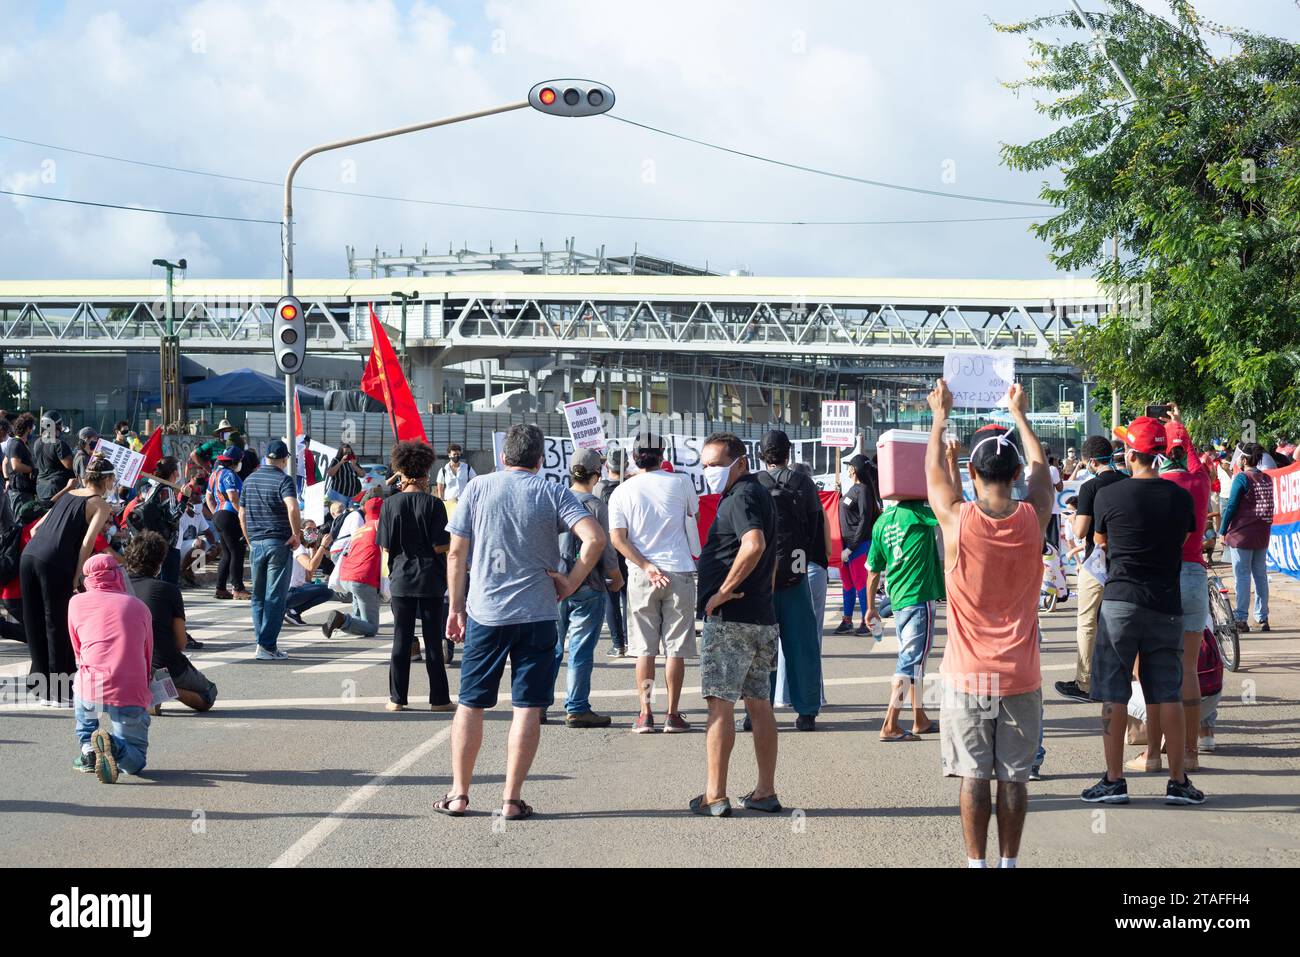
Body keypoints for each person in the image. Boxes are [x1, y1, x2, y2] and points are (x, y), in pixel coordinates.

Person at [438, 424, 603, 819]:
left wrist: (456, 607)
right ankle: (511, 799)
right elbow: (595, 538)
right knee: (527, 707)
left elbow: (456, 555)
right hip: (539, 612)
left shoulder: (477, 489)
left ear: (502, 457)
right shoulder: (552, 491)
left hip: (486, 613)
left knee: (471, 704)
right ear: (540, 459)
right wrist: (571, 580)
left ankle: (459, 794)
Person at [925, 379, 1053, 868]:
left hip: (968, 675)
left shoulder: (957, 522)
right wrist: (1020, 414)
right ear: (1015, 472)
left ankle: (976, 864)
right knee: (1015, 777)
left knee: (973, 776)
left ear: (972, 472)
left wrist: (940, 415)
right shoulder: (1033, 518)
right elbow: (1043, 472)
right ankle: (1009, 864)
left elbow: (934, 473)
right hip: (1022, 675)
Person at [1082, 416, 1204, 807]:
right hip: (1166, 604)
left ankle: (1113, 781)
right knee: (1167, 690)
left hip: (1120, 602)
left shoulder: (1108, 496)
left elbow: (1099, 539)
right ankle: (1179, 781)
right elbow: (1185, 538)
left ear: (1130, 454)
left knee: (1114, 692)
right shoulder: (1180, 497)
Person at [689, 432, 781, 817]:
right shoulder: (760, 493)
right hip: (760, 616)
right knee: (758, 704)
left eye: (715, 464)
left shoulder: (742, 495)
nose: (709, 472)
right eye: (705, 465)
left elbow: (755, 544)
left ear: (740, 462)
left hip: (732, 621)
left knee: (720, 703)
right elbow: (769, 556)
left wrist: (722, 591)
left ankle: (715, 793)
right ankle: (764, 790)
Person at [608, 432, 698, 734]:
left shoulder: (622, 490)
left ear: (634, 457)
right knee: (675, 649)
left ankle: (645, 712)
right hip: (679, 570)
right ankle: (673, 714)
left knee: (644, 649)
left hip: (641, 575)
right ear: (663, 455)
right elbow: (692, 514)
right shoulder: (682, 482)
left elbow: (617, 539)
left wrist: (646, 565)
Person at [1144, 414, 1211, 773]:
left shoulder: (1155, 487)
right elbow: (1196, 460)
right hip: (1194, 574)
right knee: (1188, 668)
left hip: (1161, 579)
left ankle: (1153, 754)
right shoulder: (1199, 481)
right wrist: (1182, 428)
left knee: (1155, 669)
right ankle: (1189, 753)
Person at [21, 455, 115, 705]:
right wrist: (78, 575)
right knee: (58, 624)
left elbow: (35, 529)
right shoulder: (99, 503)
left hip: (29, 556)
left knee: (35, 622)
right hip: (54, 561)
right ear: (107, 479)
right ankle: (61, 693)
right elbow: (87, 543)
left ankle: (40, 686)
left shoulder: (70, 494)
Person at [865, 475, 944, 742]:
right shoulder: (920, 513)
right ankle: (890, 723)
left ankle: (919, 717)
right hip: (919, 597)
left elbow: (873, 570)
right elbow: (950, 509)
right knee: (911, 662)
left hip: (898, 598)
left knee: (914, 661)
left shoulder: (882, 522)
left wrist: (870, 608)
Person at [756, 429, 824, 731]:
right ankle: (807, 711)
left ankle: (758, 711)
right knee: (803, 646)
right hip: (796, 574)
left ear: (761, 455)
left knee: (760, 649)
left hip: (762, 580)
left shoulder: (754, 484)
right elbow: (816, 525)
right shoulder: (803, 483)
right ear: (789, 454)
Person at [379, 441, 454, 712]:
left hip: (400, 578)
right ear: (424, 472)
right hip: (430, 579)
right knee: (433, 640)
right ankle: (439, 699)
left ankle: (396, 699)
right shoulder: (434, 504)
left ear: (401, 472)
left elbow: (386, 546)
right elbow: (438, 545)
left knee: (401, 639)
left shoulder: (389, 505)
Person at [69, 554, 154, 783]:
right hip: (128, 688)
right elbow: (147, 651)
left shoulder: (75, 603)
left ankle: (88, 749)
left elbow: (77, 648)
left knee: (82, 684)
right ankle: (114, 746)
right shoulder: (138, 606)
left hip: (91, 685)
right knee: (135, 764)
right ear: (117, 574)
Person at [1055, 436, 1127, 704]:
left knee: (1087, 623)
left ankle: (1085, 683)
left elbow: (1082, 530)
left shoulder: (1090, 487)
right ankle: (1126, 679)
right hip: (1124, 562)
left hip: (1095, 564)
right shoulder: (1127, 482)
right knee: (1120, 624)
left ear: (1092, 462)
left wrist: (1073, 521)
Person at [554, 448, 623, 728]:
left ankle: (539, 705)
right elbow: (605, 548)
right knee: (581, 649)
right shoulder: (596, 506)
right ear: (596, 475)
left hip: (555, 582)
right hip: (589, 582)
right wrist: (616, 576)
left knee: (552, 647)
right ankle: (577, 707)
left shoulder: (554, 499)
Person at [123, 531, 217, 714]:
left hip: (123, 664)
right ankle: (161, 691)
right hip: (162, 664)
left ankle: (144, 689)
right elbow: (181, 642)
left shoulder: (117, 586)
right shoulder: (167, 589)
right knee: (209, 695)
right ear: (159, 562)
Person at [237, 439, 302, 661]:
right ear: (284, 460)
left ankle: (261, 642)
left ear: (266, 458)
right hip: (278, 543)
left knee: (258, 595)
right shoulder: (284, 480)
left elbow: (241, 514)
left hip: (256, 543)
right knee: (275, 596)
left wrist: (249, 539)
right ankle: (267, 646)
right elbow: (292, 506)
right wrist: (297, 534)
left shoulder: (249, 480)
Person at [1219, 442, 1274, 633]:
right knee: (1260, 575)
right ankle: (1262, 616)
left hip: (1242, 535)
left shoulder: (1242, 478)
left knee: (1242, 576)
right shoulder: (1267, 478)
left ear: (1243, 459)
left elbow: (1231, 506)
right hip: (1262, 533)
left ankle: (1241, 618)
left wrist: (1223, 530)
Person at [323, 497, 385, 639]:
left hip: (348, 576)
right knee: (371, 627)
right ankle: (342, 620)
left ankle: (346, 621)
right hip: (363, 579)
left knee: (360, 616)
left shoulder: (361, 528)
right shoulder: (381, 526)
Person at [835, 453, 880, 635]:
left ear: (853, 469)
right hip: (845, 546)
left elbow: (864, 519)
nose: (847, 469)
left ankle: (865, 621)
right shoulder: (852, 490)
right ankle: (847, 620)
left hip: (858, 545)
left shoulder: (863, 490)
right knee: (847, 584)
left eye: (848, 466)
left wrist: (852, 547)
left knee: (861, 584)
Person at [129, 457, 189, 585]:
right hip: (169, 544)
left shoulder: (153, 488)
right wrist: (184, 498)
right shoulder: (166, 490)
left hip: (158, 539)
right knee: (169, 583)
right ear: (174, 472)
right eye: (178, 469)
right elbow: (173, 516)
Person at [595, 447, 629, 657]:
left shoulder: (598, 489)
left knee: (611, 597)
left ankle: (618, 643)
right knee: (630, 597)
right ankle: (631, 638)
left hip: (607, 548)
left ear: (607, 466)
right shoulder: (632, 487)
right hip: (629, 546)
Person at [207, 446, 249, 600]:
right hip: (230, 515)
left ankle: (220, 588)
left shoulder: (214, 474)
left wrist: (216, 514)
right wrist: (242, 515)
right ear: (234, 461)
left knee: (227, 554)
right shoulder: (229, 474)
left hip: (219, 515)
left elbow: (209, 498)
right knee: (237, 552)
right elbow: (233, 498)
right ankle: (238, 589)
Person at [32, 412, 76, 506]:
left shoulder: (37, 442)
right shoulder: (58, 444)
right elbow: (70, 465)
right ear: (57, 425)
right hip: (57, 489)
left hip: (41, 488)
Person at [6, 413, 37, 514]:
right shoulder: (16, 443)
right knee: (20, 521)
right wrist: (31, 469)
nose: (33, 430)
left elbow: (5, 462)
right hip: (20, 493)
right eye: (32, 427)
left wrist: (7, 479)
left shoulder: (20, 443)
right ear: (28, 429)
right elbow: (15, 466)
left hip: (24, 491)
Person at [435, 443, 475, 509]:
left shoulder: (467, 468)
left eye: (458, 454)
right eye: (454, 454)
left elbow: (475, 481)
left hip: (464, 503)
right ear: (449, 455)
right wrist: (441, 503)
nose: (456, 456)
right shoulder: (443, 470)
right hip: (449, 503)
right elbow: (440, 489)